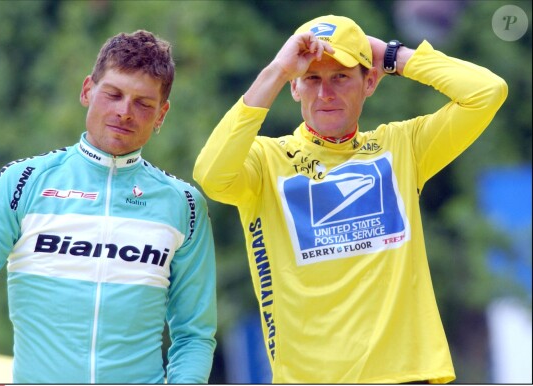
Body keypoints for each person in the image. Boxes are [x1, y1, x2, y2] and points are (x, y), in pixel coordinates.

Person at [193, 14, 507, 384]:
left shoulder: (403, 146)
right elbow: (210, 175)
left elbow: (487, 92)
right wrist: (277, 70)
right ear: (294, 88)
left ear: (369, 81)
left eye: (340, 76)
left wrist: (390, 55)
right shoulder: (265, 161)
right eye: (311, 78)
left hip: (407, 374)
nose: (325, 93)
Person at [0, 30, 217, 383]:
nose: (125, 112)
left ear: (161, 114)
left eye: (143, 103)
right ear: (87, 91)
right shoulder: (22, 181)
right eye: (113, 94)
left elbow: (194, 334)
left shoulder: (184, 203)